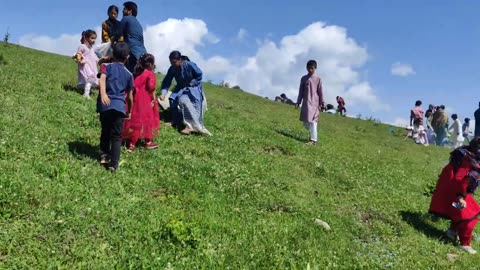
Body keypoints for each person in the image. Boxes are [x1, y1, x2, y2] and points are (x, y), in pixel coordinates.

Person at [429, 138, 480, 254]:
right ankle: (465, 244)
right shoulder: (470, 160)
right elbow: (461, 178)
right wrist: (461, 196)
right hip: (457, 189)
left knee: (459, 212)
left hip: (452, 186)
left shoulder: (467, 154)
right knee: (470, 216)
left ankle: (452, 232)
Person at [97, 42, 134, 172]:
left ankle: (104, 156)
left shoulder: (106, 66)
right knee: (117, 136)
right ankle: (114, 164)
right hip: (120, 107)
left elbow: (102, 79)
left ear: (112, 54)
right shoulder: (129, 74)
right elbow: (129, 96)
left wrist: (103, 94)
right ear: (127, 57)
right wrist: (129, 110)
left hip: (105, 105)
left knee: (105, 131)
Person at [158, 51, 211, 135]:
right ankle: (175, 120)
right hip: (180, 86)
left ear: (180, 60)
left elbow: (199, 75)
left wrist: (192, 83)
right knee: (172, 99)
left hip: (193, 86)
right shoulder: (172, 68)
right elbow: (166, 81)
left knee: (193, 104)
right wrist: (163, 93)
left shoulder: (189, 65)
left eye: (174, 62)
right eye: (171, 62)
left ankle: (192, 126)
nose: (173, 64)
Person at [122, 53, 160, 152]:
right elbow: (151, 87)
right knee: (147, 120)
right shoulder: (149, 73)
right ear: (151, 64)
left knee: (134, 120)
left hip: (134, 98)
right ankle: (148, 142)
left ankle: (131, 143)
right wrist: (153, 99)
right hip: (145, 99)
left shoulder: (136, 72)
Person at [295, 60, 323, 145]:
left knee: (313, 121)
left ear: (315, 68)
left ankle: (313, 140)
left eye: (312, 68)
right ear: (306, 68)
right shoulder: (303, 78)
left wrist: (322, 103)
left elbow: (320, 92)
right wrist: (298, 101)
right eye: (309, 68)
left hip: (315, 103)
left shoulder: (318, 79)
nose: (310, 70)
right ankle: (312, 133)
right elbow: (301, 91)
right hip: (306, 103)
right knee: (305, 122)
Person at [115, 1, 147, 72]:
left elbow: (117, 35)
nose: (123, 11)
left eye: (124, 9)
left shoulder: (126, 18)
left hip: (132, 53)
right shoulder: (139, 24)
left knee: (128, 75)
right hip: (143, 54)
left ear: (130, 11)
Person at [73, 30, 99, 98]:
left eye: (95, 38)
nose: (94, 40)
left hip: (92, 66)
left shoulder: (91, 48)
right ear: (86, 38)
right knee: (90, 77)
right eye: (92, 38)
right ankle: (86, 94)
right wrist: (81, 60)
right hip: (85, 65)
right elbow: (78, 54)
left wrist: (99, 60)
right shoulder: (82, 46)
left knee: (89, 79)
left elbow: (94, 56)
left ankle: (84, 90)